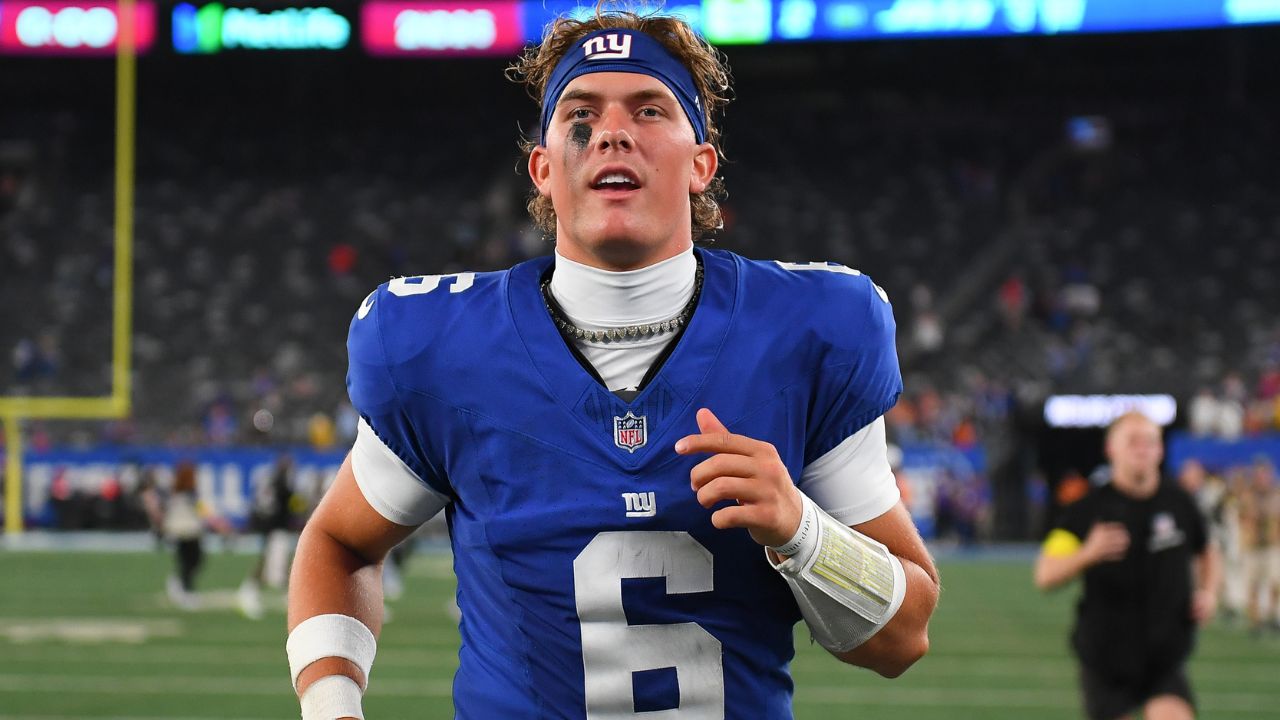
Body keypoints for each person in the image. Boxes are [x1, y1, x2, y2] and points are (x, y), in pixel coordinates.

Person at [286, 7, 940, 719]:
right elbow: (340, 542)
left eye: (650, 108)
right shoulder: (443, 347)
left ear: (701, 164)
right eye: (581, 112)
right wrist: (331, 707)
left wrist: (801, 531)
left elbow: (902, 637)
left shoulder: (809, 332)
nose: (613, 132)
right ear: (542, 168)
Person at [1034, 411, 1221, 720]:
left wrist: (1209, 592)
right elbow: (1045, 574)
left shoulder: (1180, 502)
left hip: (1164, 658)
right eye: (1132, 441)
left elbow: (1208, 550)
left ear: (1160, 450)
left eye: (1150, 441)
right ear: (1111, 449)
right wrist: (1088, 553)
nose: (1142, 448)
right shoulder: (1086, 509)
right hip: (1106, 660)